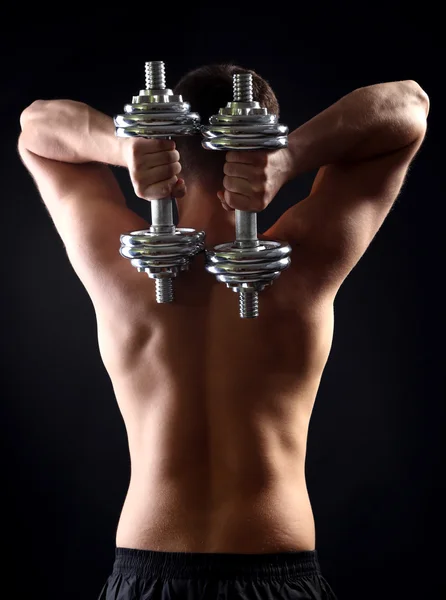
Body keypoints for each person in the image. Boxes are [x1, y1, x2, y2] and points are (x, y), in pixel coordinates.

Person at [18, 64, 429, 600]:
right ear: (263, 135)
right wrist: (291, 156)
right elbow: (408, 107)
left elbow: (36, 129)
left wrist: (124, 147)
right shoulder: (306, 263)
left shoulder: (117, 266)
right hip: (278, 571)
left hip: (146, 576)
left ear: (172, 141)